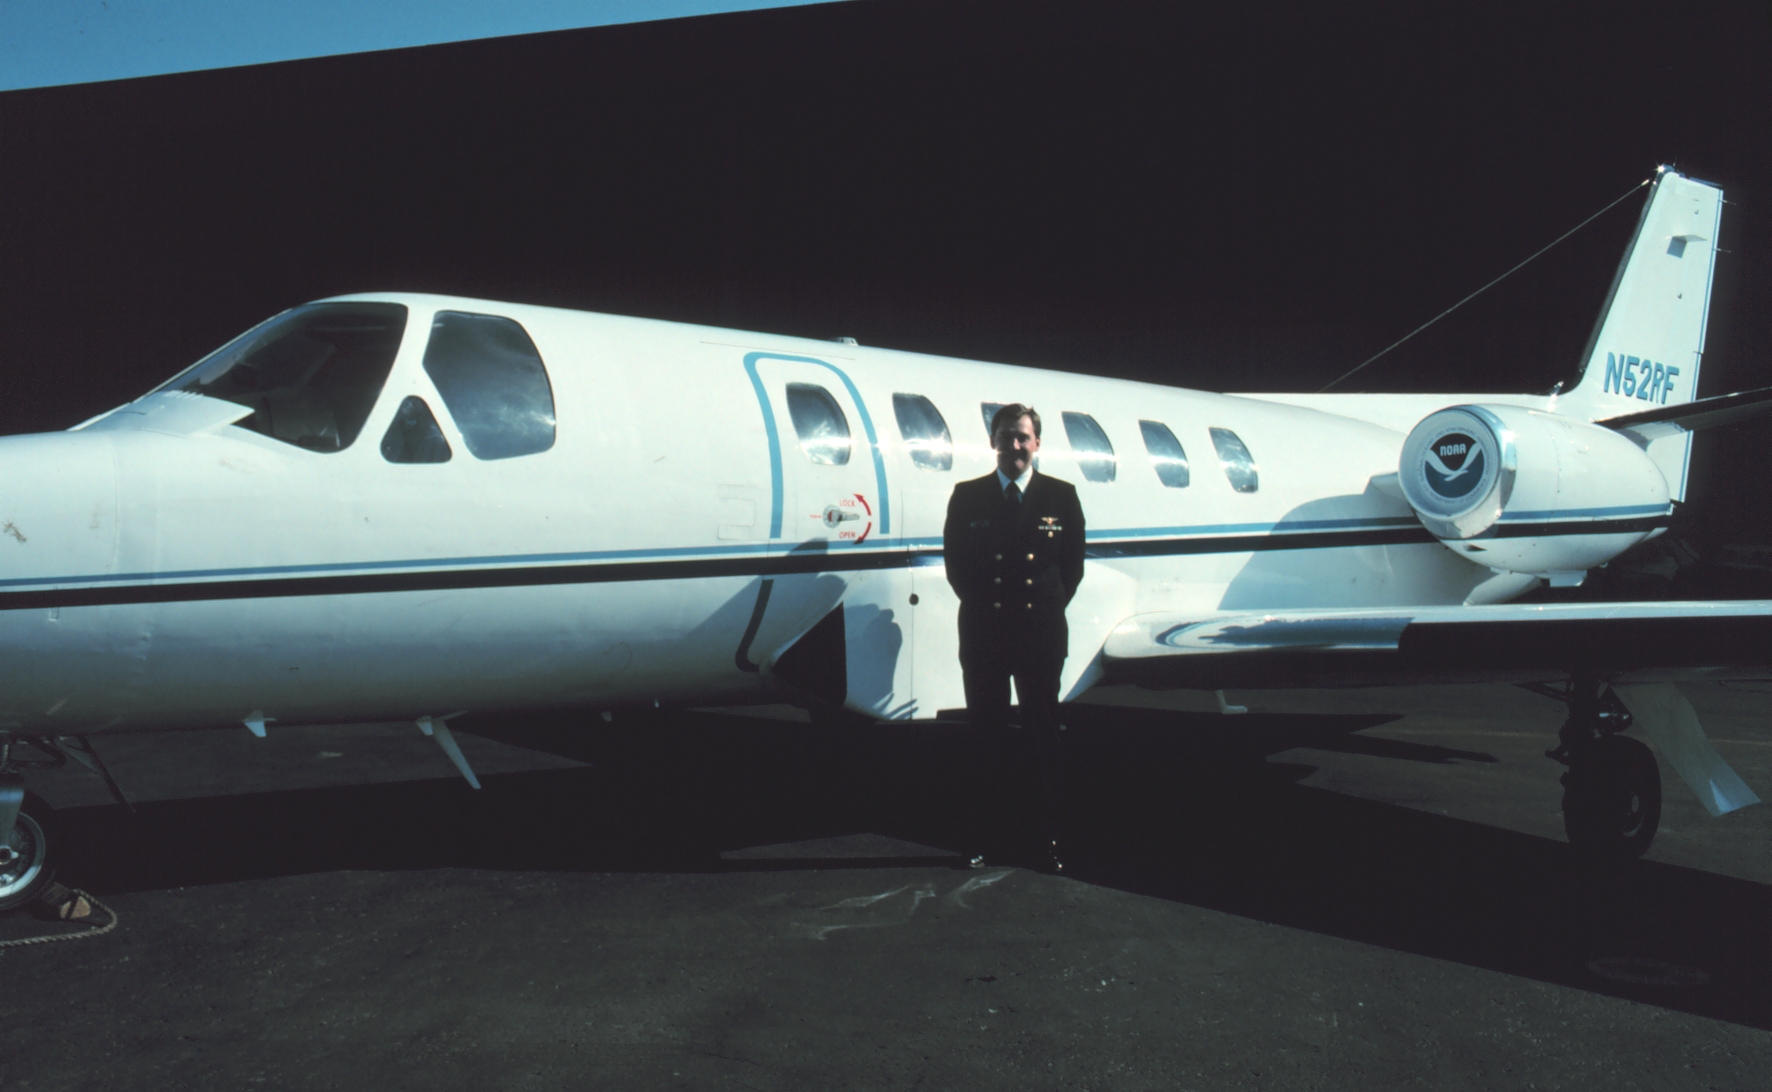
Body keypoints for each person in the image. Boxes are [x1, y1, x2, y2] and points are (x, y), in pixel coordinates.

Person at [943, 403, 1085, 872]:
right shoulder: (968, 496)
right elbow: (957, 568)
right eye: (1006, 437)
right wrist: (991, 610)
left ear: (1037, 443)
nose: (1015, 446)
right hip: (986, 634)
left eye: (1023, 437)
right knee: (985, 738)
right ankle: (983, 838)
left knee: (1045, 738)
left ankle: (1049, 842)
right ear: (993, 443)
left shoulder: (1061, 497)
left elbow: (1071, 569)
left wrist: (1042, 610)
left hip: (1039, 635)